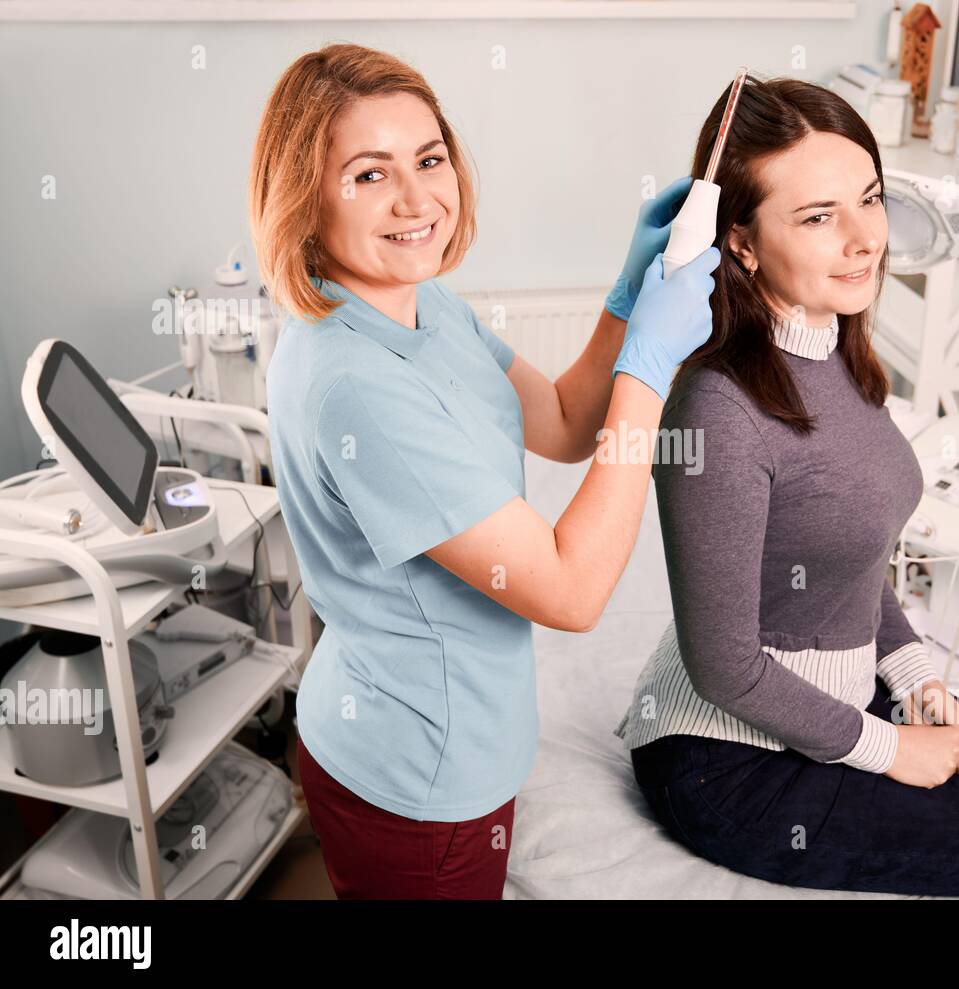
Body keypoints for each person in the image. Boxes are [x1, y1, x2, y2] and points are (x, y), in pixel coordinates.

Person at [614, 76, 959, 899]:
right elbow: (726, 669)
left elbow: (856, 558)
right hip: (730, 761)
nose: (865, 240)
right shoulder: (717, 411)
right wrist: (895, 749)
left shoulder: (842, 354)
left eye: (871, 200)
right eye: (818, 217)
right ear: (739, 242)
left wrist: (919, 682)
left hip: (842, 700)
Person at [250, 43, 719, 899]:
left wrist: (626, 296)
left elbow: (568, 420)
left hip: (425, 742)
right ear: (305, 199)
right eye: (368, 174)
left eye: (429, 159)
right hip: (419, 787)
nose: (416, 198)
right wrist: (651, 371)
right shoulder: (355, 387)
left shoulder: (425, 305)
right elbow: (572, 594)